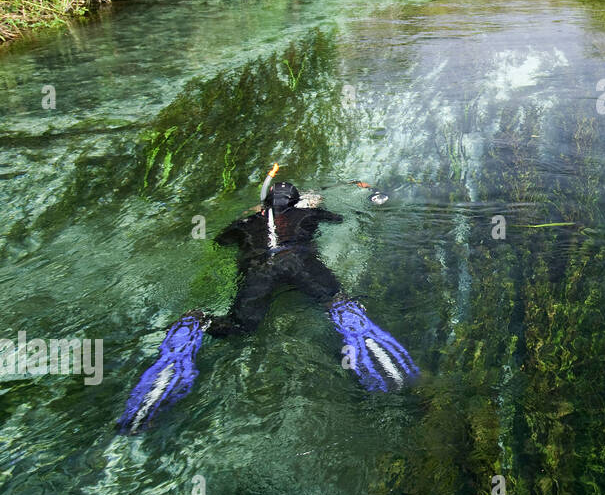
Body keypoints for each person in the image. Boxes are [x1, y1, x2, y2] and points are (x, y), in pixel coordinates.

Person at [118, 175, 418, 435]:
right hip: (298, 261)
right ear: (297, 202)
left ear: (264, 205)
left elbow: (221, 241)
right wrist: (312, 206)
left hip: (259, 268)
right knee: (337, 302)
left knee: (239, 327)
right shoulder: (307, 215)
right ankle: (356, 327)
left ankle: (195, 324)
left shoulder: (245, 222)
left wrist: (251, 214)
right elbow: (339, 219)